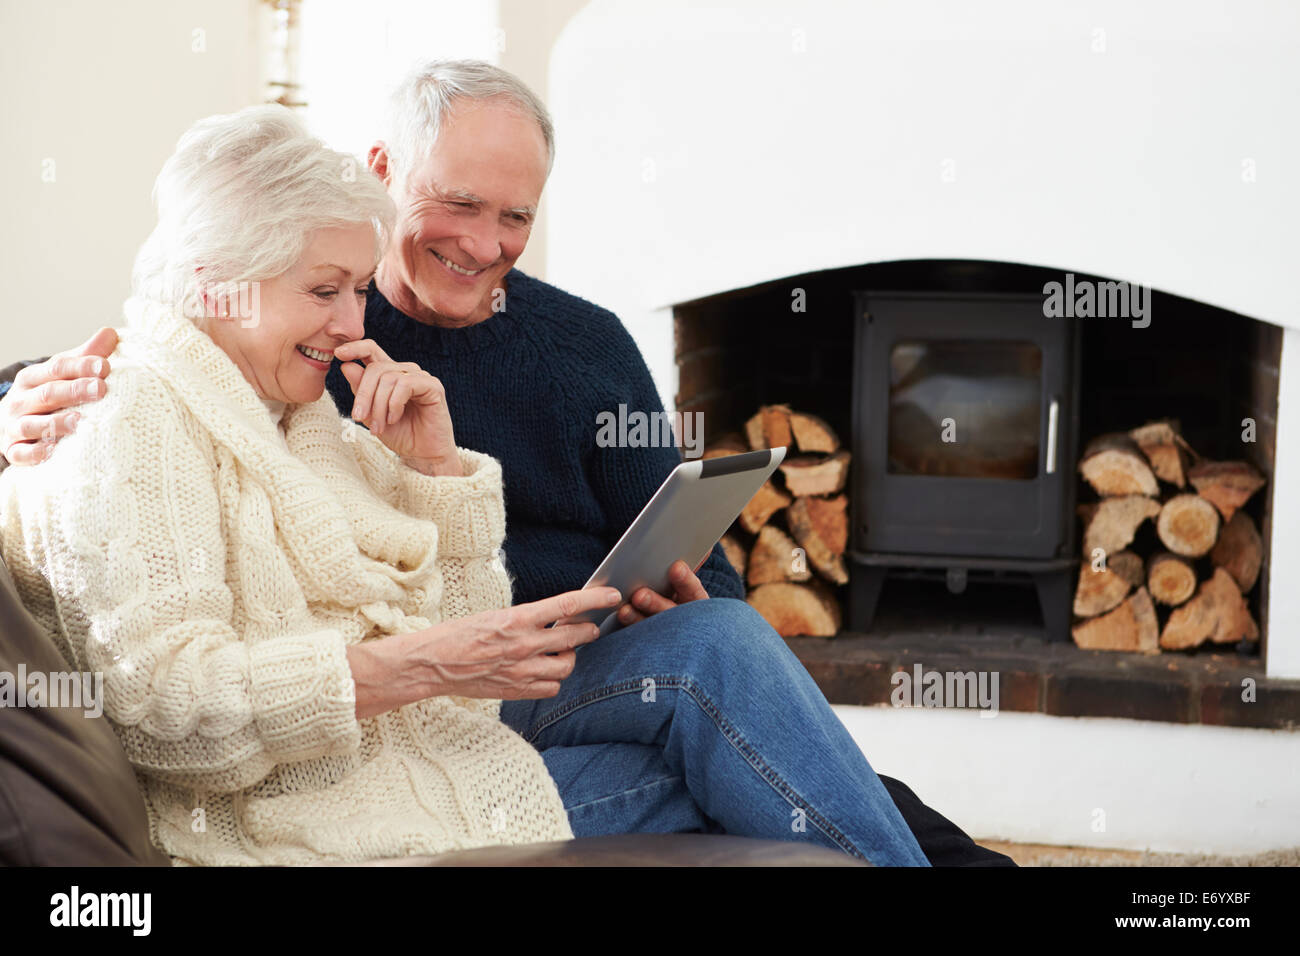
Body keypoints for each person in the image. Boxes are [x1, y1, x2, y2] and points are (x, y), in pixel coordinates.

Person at [0, 60, 1013, 866]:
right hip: (394, 740)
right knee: (751, 751)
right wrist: (10, 411)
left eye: (515, 217)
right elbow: (154, 611)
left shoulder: (512, 356)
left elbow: (664, 569)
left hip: (524, 677)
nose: (483, 245)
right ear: (385, 175)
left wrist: (451, 483)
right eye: (457, 205)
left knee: (725, 651)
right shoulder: (221, 381)